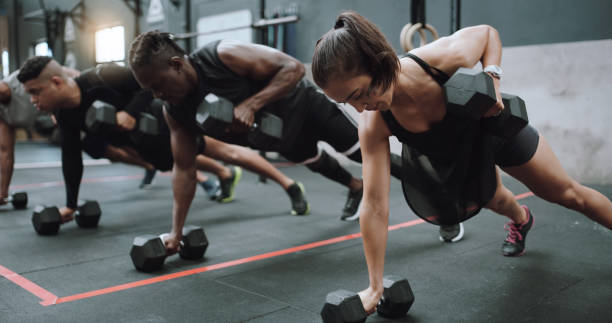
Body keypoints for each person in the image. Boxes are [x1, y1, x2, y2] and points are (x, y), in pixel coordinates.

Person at [311, 11, 612, 313]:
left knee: (567, 194)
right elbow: (375, 204)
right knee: (493, 198)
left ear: (376, 62)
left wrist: (492, 76)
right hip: (452, 150)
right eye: (347, 102)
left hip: (492, 128)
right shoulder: (374, 123)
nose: (360, 107)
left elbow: (487, 33)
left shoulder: (440, 58)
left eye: (358, 93)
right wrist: (374, 286)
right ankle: (521, 219)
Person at [127, 31, 463, 253]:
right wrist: (176, 231)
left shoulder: (223, 55)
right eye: (150, 92)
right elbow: (184, 170)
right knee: (315, 163)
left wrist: (252, 103)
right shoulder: (175, 112)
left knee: (371, 157)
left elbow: (292, 68)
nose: (158, 95)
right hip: (278, 136)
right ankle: (354, 187)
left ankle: (445, 207)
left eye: (158, 85)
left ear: (176, 64)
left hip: (307, 108)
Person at [18, 56, 308, 222]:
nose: (32, 100)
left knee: (225, 152)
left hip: (166, 121)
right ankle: (225, 176)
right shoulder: (66, 115)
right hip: (145, 144)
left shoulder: (100, 76)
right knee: (187, 162)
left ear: (56, 82)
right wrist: (71, 204)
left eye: (35, 91)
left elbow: (149, 84)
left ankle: (290, 185)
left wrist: (130, 113)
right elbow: (70, 158)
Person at [1, 66, 79, 208]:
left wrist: (84, 86)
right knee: (102, 150)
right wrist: (3, 192)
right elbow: (5, 152)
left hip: (72, 103)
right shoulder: (3, 116)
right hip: (61, 119)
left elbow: (59, 71)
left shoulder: (21, 78)